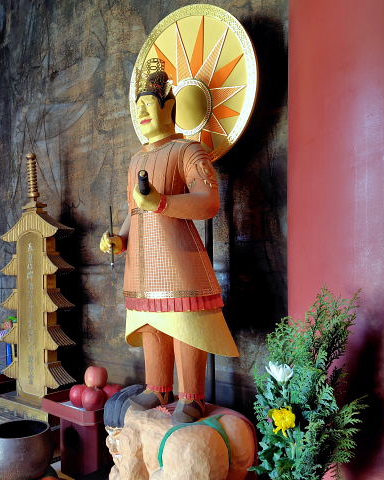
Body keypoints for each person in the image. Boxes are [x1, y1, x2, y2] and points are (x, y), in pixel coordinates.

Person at [100, 60, 239, 423]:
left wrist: (161, 202)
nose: (142, 112)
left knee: (184, 321)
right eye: (138, 107)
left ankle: (191, 396)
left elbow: (208, 202)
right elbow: (135, 210)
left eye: (149, 104)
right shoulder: (136, 159)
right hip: (142, 261)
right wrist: (119, 239)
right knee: (150, 322)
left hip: (177, 256)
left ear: (170, 106)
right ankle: (157, 387)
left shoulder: (188, 151)